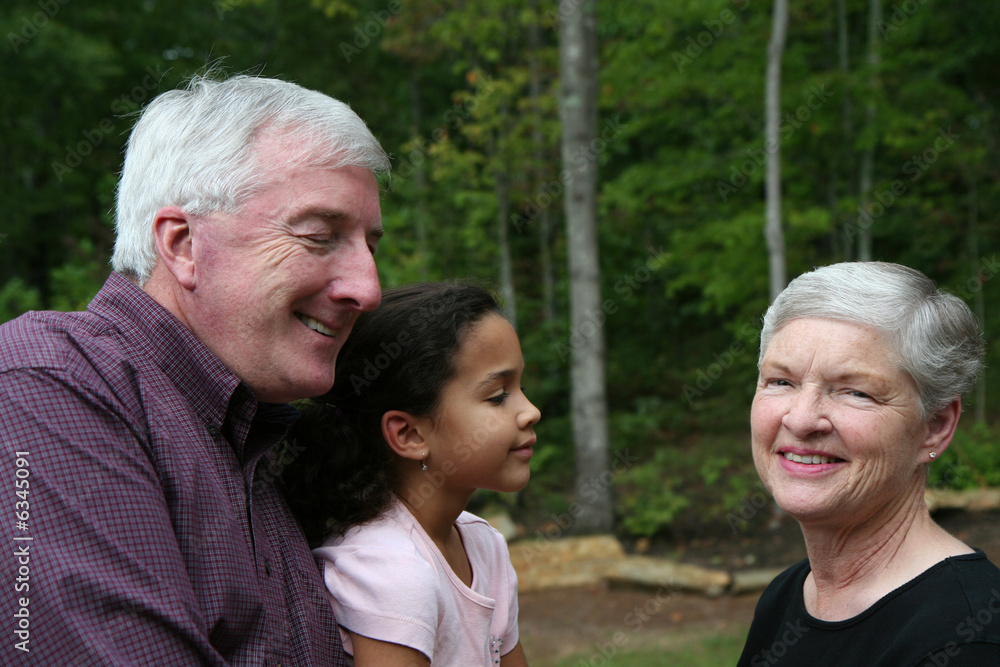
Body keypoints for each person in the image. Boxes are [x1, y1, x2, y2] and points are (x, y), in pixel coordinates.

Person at [0, 74, 389, 665]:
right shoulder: (47, 384)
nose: (369, 288)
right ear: (181, 244)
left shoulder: (256, 437)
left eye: (370, 245)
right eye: (319, 236)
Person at [737, 261, 1000, 666]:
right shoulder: (787, 595)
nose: (802, 419)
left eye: (855, 392)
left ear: (934, 426)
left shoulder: (969, 640)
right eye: (781, 382)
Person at [280, 282, 540, 666]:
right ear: (410, 434)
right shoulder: (392, 571)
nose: (530, 411)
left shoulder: (484, 546)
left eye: (520, 387)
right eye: (498, 395)